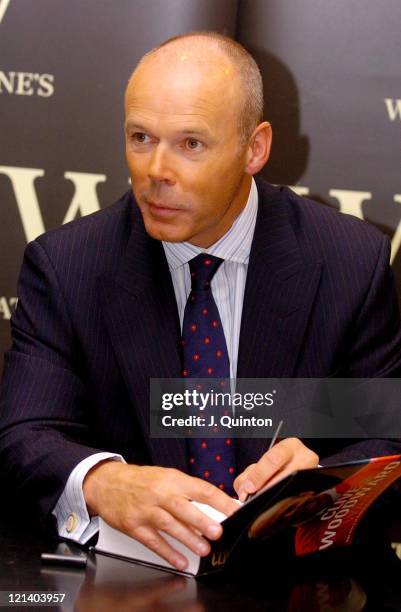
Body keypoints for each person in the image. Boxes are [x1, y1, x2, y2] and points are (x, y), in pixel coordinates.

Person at [1, 32, 401, 572]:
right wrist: (103, 481)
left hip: (301, 582)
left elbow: (382, 429)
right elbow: (24, 432)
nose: (155, 171)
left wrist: (324, 476)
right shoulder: (68, 267)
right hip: (132, 584)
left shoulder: (349, 261)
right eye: (140, 137)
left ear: (254, 148)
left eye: (191, 144)